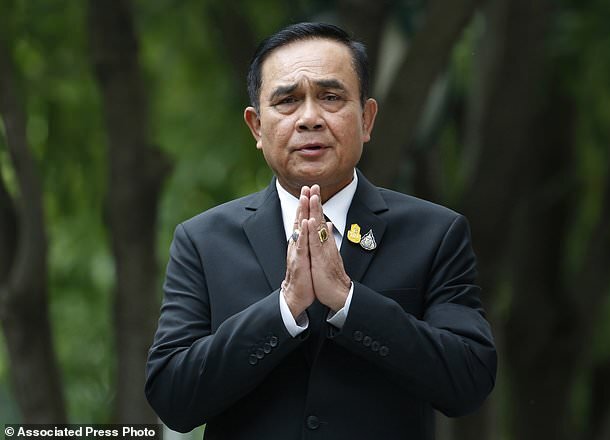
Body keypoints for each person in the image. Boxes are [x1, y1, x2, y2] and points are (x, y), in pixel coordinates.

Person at [145, 22, 496, 440]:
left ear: (366, 119)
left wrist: (349, 302)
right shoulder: (203, 242)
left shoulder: (435, 233)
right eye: (287, 101)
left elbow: (469, 381)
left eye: (330, 98)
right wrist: (284, 308)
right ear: (256, 127)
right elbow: (172, 397)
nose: (310, 118)